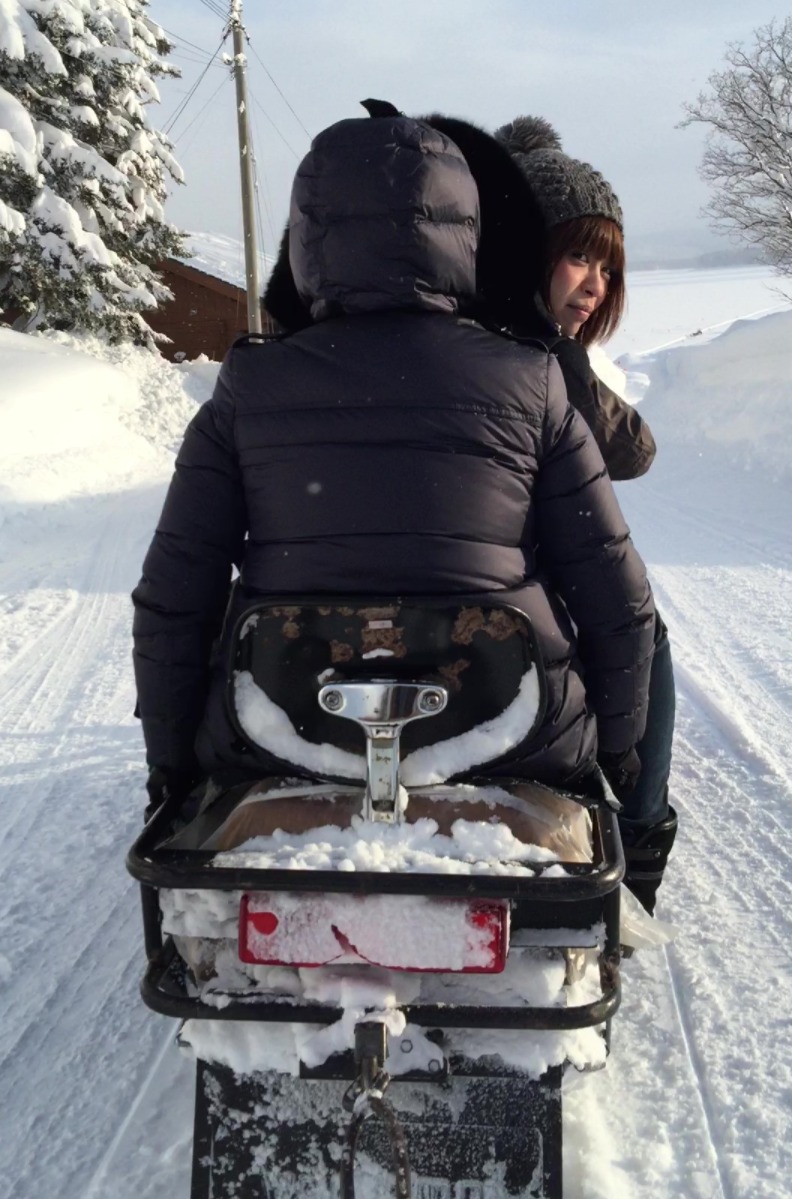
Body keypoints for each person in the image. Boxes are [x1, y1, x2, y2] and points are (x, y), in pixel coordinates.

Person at [133, 113, 655, 853]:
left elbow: (173, 596)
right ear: (463, 233)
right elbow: (617, 597)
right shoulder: (532, 380)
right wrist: (618, 751)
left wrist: (171, 763)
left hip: (283, 727)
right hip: (506, 725)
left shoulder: (250, 384)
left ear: (310, 236)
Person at [415, 110, 676, 913]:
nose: (594, 282)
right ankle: (638, 835)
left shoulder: (448, 325)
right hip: (496, 597)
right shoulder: (528, 358)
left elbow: (629, 446)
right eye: (576, 253)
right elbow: (627, 450)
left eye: (607, 265)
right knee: (639, 631)